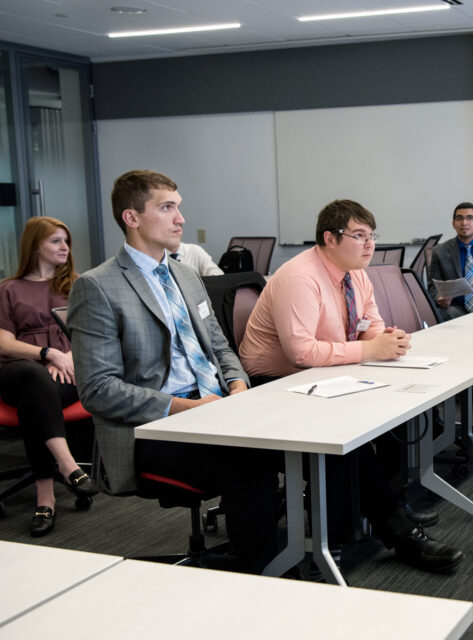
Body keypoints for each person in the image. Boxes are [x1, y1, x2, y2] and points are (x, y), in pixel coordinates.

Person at [68, 170, 278, 574]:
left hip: (217, 409)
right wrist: (189, 408)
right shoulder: (97, 287)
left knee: (301, 439)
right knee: (253, 462)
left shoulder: (185, 275)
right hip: (156, 427)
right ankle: (262, 579)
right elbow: (97, 390)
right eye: (167, 208)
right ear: (132, 218)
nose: (180, 218)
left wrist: (235, 385)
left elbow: (219, 346)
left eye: (178, 207)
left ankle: (318, 549)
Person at [238, 198, 464, 574]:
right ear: (329, 238)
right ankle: (397, 533)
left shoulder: (357, 272)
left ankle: (386, 506)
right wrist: (367, 348)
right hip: (275, 383)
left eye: (371, 236)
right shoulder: (300, 277)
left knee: (399, 409)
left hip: (326, 375)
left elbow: (369, 324)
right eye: (358, 236)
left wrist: (387, 339)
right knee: (347, 439)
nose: (369, 244)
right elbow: (300, 353)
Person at [0, 216, 98, 537]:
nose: (65, 247)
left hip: (68, 373)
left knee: (33, 402)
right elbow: (4, 344)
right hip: (17, 372)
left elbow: (89, 334)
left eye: (66, 241)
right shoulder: (9, 289)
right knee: (35, 379)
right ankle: (68, 465)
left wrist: (67, 358)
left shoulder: (77, 284)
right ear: (35, 245)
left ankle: (45, 498)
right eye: (55, 241)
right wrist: (47, 354)